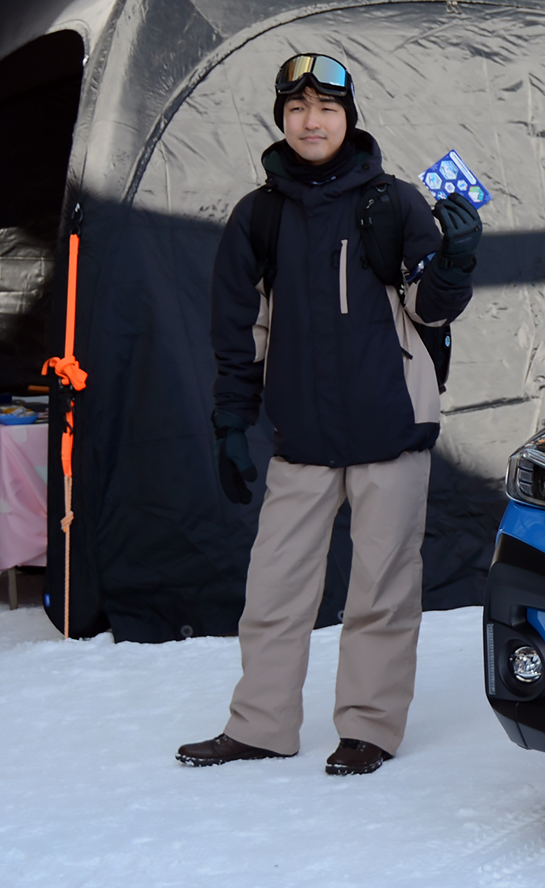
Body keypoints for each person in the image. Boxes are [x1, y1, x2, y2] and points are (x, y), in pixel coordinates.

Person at [178, 53, 479, 776]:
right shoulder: (259, 216)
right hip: (302, 439)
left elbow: (428, 309)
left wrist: (454, 263)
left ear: (350, 118)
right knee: (274, 591)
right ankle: (260, 725)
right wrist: (230, 422)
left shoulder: (395, 203)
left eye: (326, 109)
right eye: (297, 108)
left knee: (381, 590)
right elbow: (236, 331)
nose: (311, 121)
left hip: (391, 431)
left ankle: (368, 729)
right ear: (281, 118)